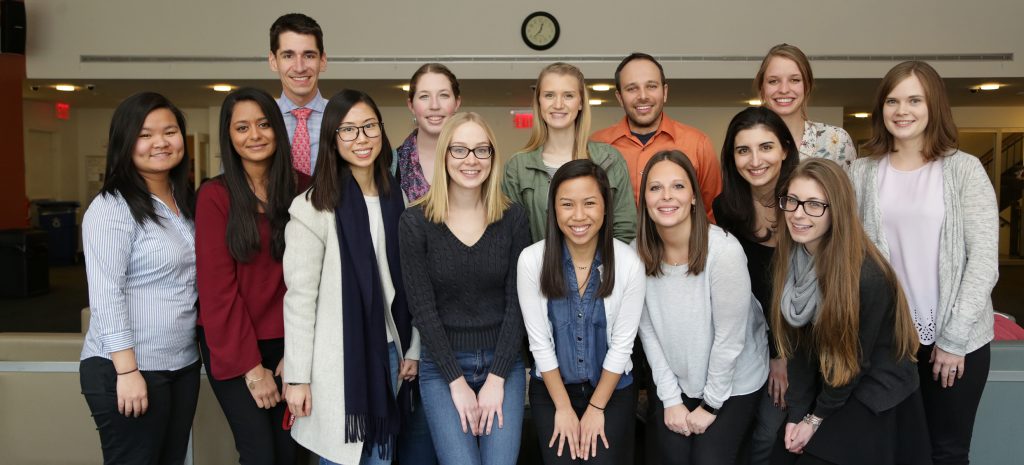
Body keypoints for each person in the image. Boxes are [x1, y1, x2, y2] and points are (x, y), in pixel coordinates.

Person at [851, 60, 999, 465]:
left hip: (958, 340)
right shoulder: (861, 173)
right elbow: (850, 256)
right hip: (889, 343)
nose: (902, 110)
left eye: (914, 100)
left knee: (947, 453)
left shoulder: (963, 170)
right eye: (893, 100)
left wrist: (952, 340)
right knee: (896, 452)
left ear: (934, 105)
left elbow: (984, 260)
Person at [282, 89, 419, 465]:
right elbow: (299, 299)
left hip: (392, 352)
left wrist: (413, 347)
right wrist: (296, 378)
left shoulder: (398, 199)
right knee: (344, 457)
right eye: (348, 130)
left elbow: (410, 283)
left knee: (381, 458)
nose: (361, 139)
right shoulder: (312, 207)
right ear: (332, 139)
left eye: (369, 127)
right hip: (338, 358)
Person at [771, 158, 929, 465]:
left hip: (874, 391)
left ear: (837, 211)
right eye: (792, 201)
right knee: (781, 453)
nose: (798, 214)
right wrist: (796, 413)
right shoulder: (796, 259)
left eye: (814, 204)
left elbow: (852, 362)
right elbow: (800, 349)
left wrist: (814, 420)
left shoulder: (865, 276)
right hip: (834, 379)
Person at [399, 112, 531, 465]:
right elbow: (422, 310)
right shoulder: (415, 222)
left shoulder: (513, 218)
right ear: (444, 155)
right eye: (459, 150)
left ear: (492, 157)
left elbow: (518, 303)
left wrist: (497, 377)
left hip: (503, 364)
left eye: (480, 150)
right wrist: (456, 381)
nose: (470, 160)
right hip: (442, 367)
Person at [79, 92, 200, 464]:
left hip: (181, 364)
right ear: (125, 142)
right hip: (131, 368)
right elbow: (106, 295)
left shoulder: (182, 202)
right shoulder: (112, 207)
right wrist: (127, 371)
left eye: (170, 131)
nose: (160, 143)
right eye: (145, 135)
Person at [195, 87, 310, 465]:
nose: (254, 135)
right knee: (260, 453)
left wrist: (297, 355)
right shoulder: (215, 196)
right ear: (229, 136)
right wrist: (251, 370)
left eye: (263, 124)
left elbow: (317, 278)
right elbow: (217, 291)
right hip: (235, 347)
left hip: (291, 344)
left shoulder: (304, 188)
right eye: (242, 127)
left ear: (278, 128)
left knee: (292, 452)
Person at [636, 150, 769, 465]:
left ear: (694, 197)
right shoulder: (635, 255)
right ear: (644, 200)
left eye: (678, 187)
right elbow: (648, 333)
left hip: (734, 380)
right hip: (679, 379)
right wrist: (670, 399)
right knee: (672, 456)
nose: (667, 196)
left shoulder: (723, 251)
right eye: (655, 188)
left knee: (708, 460)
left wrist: (710, 405)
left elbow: (730, 337)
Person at [518, 159, 646, 464]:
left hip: (612, 392)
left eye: (589, 203)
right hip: (552, 391)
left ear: (605, 207)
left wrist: (596, 408)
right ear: (553, 211)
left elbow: (623, 345)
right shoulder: (531, 261)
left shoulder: (628, 262)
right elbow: (539, 345)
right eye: (567, 204)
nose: (578, 216)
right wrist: (562, 408)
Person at [711, 106, 799, 465]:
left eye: (765, 147)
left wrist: (787, 356)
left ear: (785, 150)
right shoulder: (727, 207)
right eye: (743, 150)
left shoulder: (806, 198)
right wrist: (776, 354)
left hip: (815, 338)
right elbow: (753, 292)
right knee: (761, 437)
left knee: (786, 433)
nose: (755, 160)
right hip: (762, 340)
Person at [503, 62, 636, 243]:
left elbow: (624, 231)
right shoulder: (518, 167)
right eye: (549, 95)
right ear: (539, 102)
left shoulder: (609, 159)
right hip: (539, 270)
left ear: (580, 102)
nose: (558, 104)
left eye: (568, 95)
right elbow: (512, 237)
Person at [591, 52, 721, 220]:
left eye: (651, 86)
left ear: (664, 92)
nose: (643, 96)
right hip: (615, 246)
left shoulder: (697, 143)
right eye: (632, 88)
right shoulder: (596, 145)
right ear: (620, 98)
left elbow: (711, 211)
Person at [754, 44, 857, 168]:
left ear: (807, 86)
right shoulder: (746, 141)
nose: (784, 89)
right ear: (762, 88)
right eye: (773, 81)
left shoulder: (836, 141)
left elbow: (847, 188)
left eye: (795, 80)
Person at [269, 13, 328, 176]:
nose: (300, 67)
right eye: (288, 56)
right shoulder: (260, 121)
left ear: (322, 61)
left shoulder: (344, 118)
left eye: (309, 55)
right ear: (273, 61)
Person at [394, 63, 462, 202]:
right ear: (411, 105)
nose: (434, 105)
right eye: (424, 96)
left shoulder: (475, 159)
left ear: (457, 103)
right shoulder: (391, 164)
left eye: (443, 95)